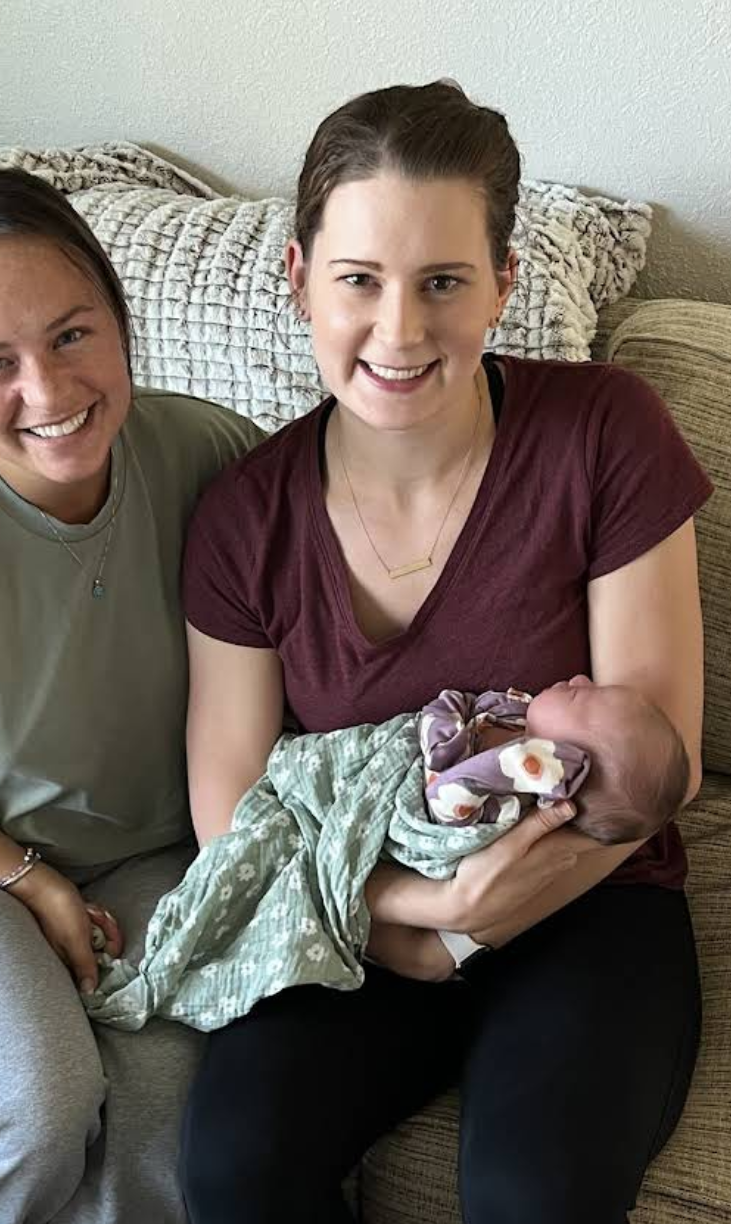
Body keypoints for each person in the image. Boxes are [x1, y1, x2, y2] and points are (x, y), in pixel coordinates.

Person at [177, 81, 712, 1223]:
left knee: (534, 1195)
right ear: (298, 280)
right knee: (229, 1170)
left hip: (592, 907)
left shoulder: (605, 435)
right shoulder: (241, 519)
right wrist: (412, 922)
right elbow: (230, 810)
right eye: (358, 281)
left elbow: (655, 764)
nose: (400, 331)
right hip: (357, 919)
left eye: (443, 282)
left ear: (502, 283)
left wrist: (471, 922)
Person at [0, 168, 260, 1223]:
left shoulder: (208, 454)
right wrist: (26, 879)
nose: (49, 388)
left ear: (120, 328)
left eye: (74, 335)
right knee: (30, 1103)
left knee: (177, 1124)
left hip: (149, 846)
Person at [84, 676, 690, 1034]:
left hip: (574, 926)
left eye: (588, 700)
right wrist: (437, 918)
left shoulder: (516, 774)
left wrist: (449, 934)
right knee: (239, 1161)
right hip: (388, 911)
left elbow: (445, 803)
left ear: (564, 764)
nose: (581, 680)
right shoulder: (518, 727)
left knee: (533, 1183)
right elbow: (228, 788)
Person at [422, 678, 691, 845]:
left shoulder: (508, 806)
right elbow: (477, 705)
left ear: (560, 760)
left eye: (578, 696)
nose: (580, 678)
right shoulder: (518, 717)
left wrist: (447, 712)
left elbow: (444, 803)